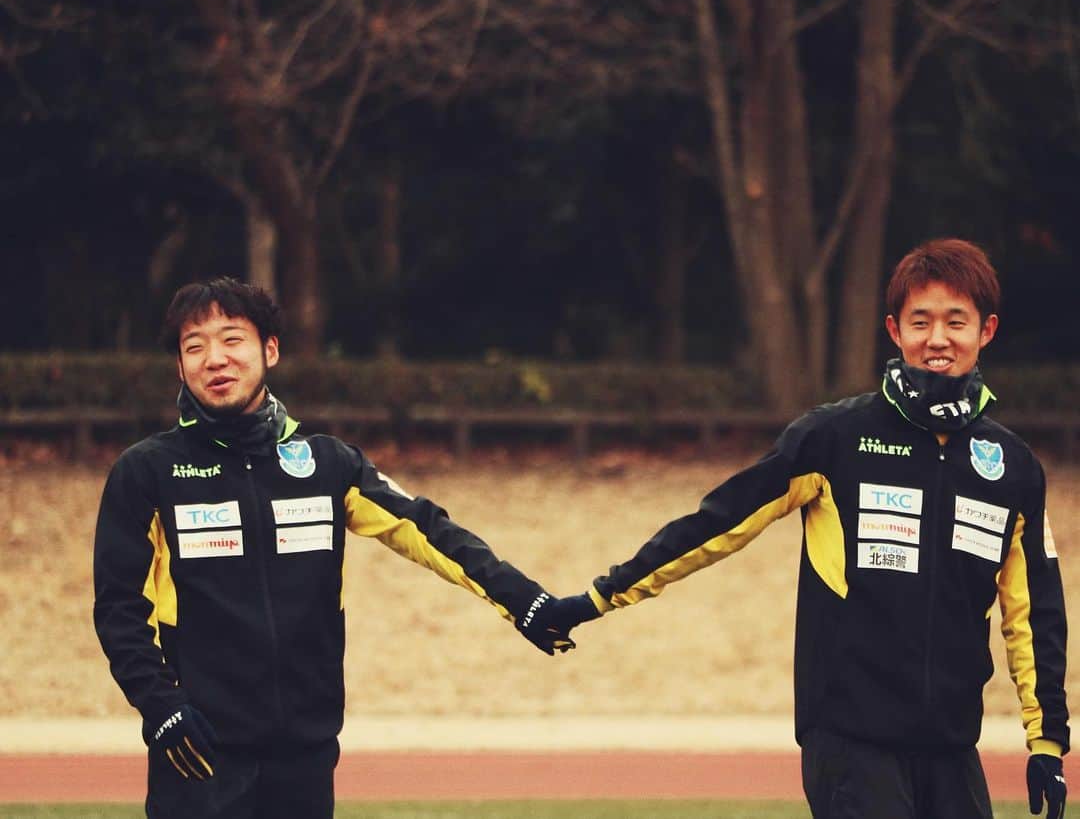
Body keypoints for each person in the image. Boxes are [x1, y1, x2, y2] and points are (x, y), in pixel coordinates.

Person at [549, 238, 1069, 818]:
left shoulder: (1012, 467)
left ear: (986, 330)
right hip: (850, 739)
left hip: (951, 746)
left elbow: (1034, 612)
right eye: (920, 322)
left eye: (956, 321)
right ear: (895, 331)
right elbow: (716, 524)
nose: (938, 339)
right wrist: (599, 597)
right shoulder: (834, 438)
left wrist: (1046, 742)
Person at [93, 277, 573, 819]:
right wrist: (162, 708)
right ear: (180, 367)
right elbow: (119, 610)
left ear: (270, 349)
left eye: (232, 339)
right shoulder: (146, 472)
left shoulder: (328, 464)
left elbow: (426, 528)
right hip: (199, 756)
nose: (215, 359)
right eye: (194, 346)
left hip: (305, 755)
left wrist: (523, 599)